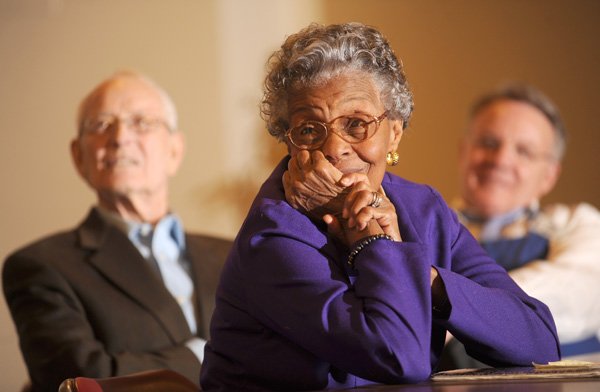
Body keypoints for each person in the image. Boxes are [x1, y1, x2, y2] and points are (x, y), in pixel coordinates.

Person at [200, 23, 560, 391]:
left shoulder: (423, 210)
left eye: (356, 124)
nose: (334, 149)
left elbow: (539, 340)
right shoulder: (275, 233)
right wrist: (372, 240)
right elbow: (399, 356)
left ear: (395, 133)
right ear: (289, 142)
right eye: (310, 130)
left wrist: (426, 277)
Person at [2, 71, 231, 392]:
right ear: (78, 156)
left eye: (142, 122)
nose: (121, 137)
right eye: (101, 125)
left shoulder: (235, 253)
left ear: (174, 151)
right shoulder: (39, 266)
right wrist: (204, 355)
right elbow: (82, 379)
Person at [442, 83, 600, 368]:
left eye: (524, 151)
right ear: (463, 151)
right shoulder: (426, 224)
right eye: (489, 143)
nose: (501, 160)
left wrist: (457, 307)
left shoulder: (578, 224)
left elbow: (578, 291)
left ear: (549, 175)